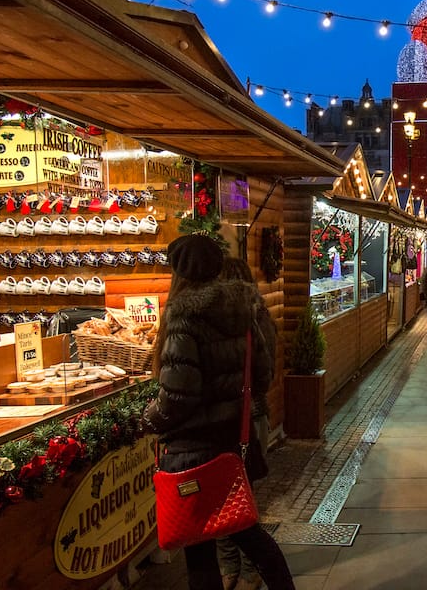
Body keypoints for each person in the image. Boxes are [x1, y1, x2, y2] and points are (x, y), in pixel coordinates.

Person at [142, 234, 296, 590]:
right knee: (249, 534)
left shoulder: (183, 318)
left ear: (179, 272)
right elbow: (261, 375)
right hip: (230, 444)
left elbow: (178, 397)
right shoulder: (242, 312)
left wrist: (149, 417)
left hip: (192, 450)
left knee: (198, 549)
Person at [214, 257, 273, 590]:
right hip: (248, 416)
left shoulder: (253, 317)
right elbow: (266, 371)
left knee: (232, 497)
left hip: (236, 419)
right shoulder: (257, 314)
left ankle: (239, 568)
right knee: (237, 496)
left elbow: (263, 372)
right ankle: (240, 569)